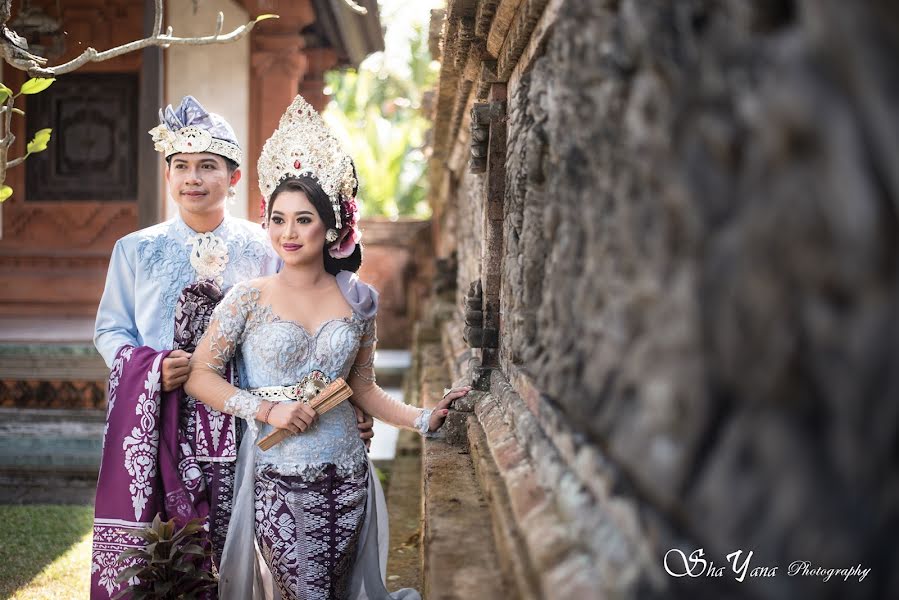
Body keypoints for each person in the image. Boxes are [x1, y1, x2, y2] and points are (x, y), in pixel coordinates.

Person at [185, 94, 470, 599]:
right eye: (277, 218)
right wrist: (267, 409)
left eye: (302, 219)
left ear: (332, 225)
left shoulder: (358, 302)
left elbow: (363, 389)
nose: (287, 233)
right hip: (279, 474)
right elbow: (200, 376)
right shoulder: (246, 299)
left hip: (346, 473)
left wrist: (425, 419)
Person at [89, 96, 374, 599]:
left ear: (234, 178)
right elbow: (110, 331)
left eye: (207, 166)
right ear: (168, 175)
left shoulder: (267, 246)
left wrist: (342, 401)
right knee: (165, 544)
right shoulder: (134, 249)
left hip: (249, 418)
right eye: (180, 166)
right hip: (162, 413)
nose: (192, 178)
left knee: (242, 546)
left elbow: (306, 326)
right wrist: (153, 368)